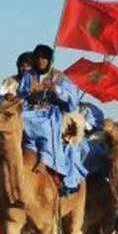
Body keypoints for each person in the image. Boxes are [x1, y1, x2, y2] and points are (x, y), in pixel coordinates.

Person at [16, 44, 86, 192]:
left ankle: (46, 161)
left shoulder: (58, 76)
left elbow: (71, 99)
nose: (41, 61)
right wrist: (29, 93)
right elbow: (21, 95)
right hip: (29, 112)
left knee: (47, 127)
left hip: (50, 113)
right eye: (39, 57)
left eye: (44, 58)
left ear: (49, 60)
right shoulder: (29, 76)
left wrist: (55, 89)